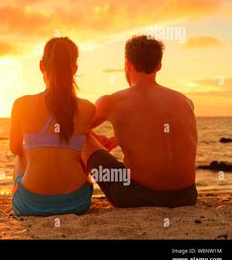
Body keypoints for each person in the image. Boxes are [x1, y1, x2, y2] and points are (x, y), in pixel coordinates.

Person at [83, 35, 197, 208]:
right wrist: (116, 140)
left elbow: (74, 128)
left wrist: (95, 136)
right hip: (187, 197)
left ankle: (73, 194)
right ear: (159, 66)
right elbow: (158, 133)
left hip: (136, 196)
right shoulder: (185, 101)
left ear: (128, 64)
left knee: (81, 138)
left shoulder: (112, 102)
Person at [10, 37, 95, 216]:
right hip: (77, 201)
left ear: (42, 66)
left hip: (30, 205)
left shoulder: (21, 104)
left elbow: (15, 148)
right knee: (77, 144)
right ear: (74, 69)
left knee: (21, 154)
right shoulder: (88, 108)